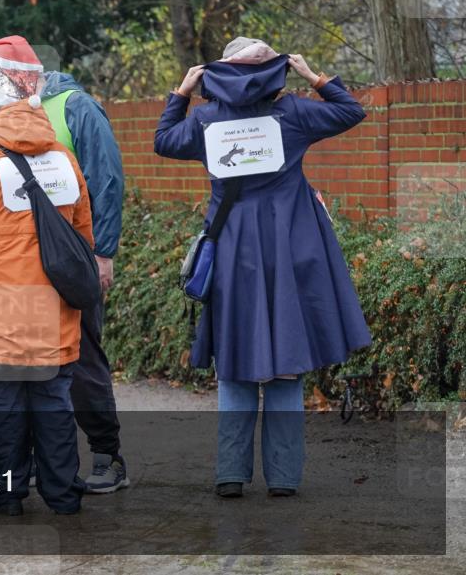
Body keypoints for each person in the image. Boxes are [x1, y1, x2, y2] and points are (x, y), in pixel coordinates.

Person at [154, 37, 372, 498]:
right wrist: (316, 77)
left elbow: (163, 142)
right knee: (288, 362)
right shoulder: (293, 113)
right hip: (293, 248)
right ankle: (284, 478)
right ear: (278, 70)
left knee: (234, 361)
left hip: (234, 250)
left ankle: (231, 474)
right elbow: (351, 112)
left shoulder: (206, 119)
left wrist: (181, 93)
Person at [0, 51, 93, 516]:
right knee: (53, 405)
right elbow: (82, 233)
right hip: (54, 308)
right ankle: (64, 496)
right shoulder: (64, 157)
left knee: (0, 409)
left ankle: (6, 498)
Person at [37, 59, 128, 493]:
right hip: (25, 262)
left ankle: (107, 456)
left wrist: (103, 253)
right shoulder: (0, 114)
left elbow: (106, 179)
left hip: (76, 257)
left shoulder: (76, 107)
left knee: (83, 356)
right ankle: (46, 462)